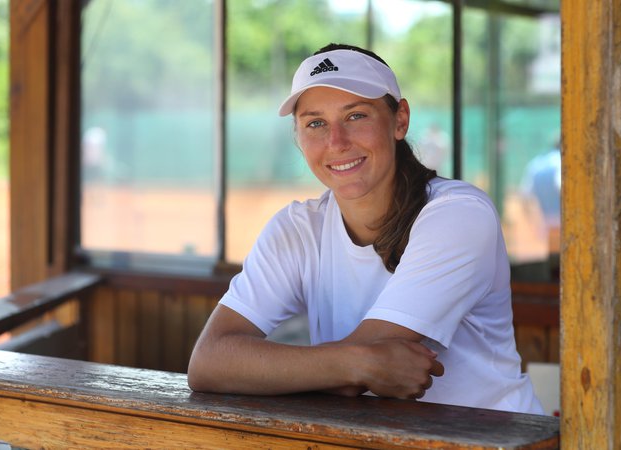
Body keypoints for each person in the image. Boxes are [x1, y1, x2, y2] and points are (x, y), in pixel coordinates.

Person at [188, 43, 543, 414]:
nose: (336, 142)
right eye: (315, 123)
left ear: (400, 120)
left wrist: (341, 370)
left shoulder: (458, 214)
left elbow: (346, 385)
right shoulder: (298, 228)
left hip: (499, 440)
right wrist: (360, 363)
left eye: (356, 116)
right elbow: (208, 362)